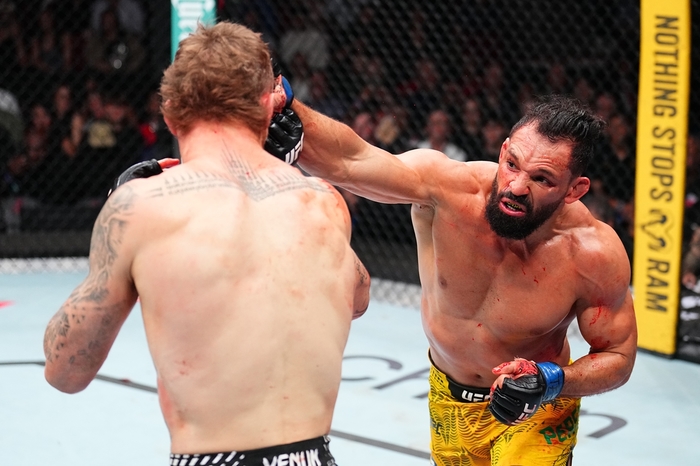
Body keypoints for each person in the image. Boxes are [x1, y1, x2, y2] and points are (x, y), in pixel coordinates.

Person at [43, 21, 370, 465]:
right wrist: (280, 172)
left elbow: (65, 370)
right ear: (268, 107)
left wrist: (116, 232)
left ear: (170, 112)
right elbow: (358, 298)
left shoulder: (140, 207)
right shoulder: (324, 202)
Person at [279, 88, 637, 465]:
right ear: (503, 150)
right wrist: (283, 105)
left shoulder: (592, 254)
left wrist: (551, 381)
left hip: (537, 409)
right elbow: (351, 160)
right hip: (449, 401)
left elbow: (617, 355)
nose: (517, 187)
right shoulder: (447, 189)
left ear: (574, 189)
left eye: (542, 179)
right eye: (512, 164)